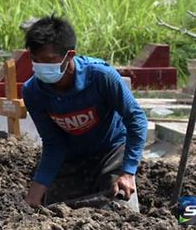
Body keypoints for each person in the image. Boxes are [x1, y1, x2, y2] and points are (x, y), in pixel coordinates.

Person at [22, 15, 147, 212]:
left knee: (121, 212)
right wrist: (36, 190)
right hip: (71, 158)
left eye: (48, 60)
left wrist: (128, 171)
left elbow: (136, 119)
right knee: (54, 213)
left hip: (111, 152)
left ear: (69, 55)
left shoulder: (101, 77)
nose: (41, 66)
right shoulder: (33, 92)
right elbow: (54, 143)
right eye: (36, 60)